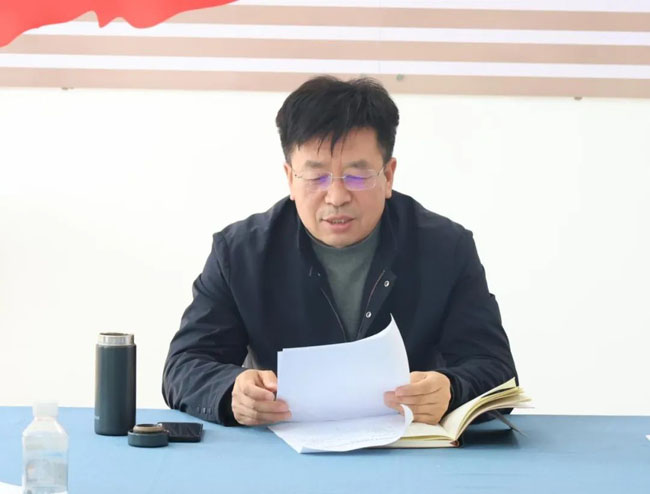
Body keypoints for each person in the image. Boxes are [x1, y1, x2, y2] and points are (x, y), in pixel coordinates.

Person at [162, 76, 517, 427]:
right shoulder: (240, 254)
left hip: (411, 449)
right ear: (290, 178)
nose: (336, 197)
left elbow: (497, 369)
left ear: (389, 176)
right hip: (282, 448)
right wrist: (232, 392)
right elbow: (184, 366)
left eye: (357, 176)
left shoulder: (445, 248)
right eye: (316, 177)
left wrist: (452, 390)